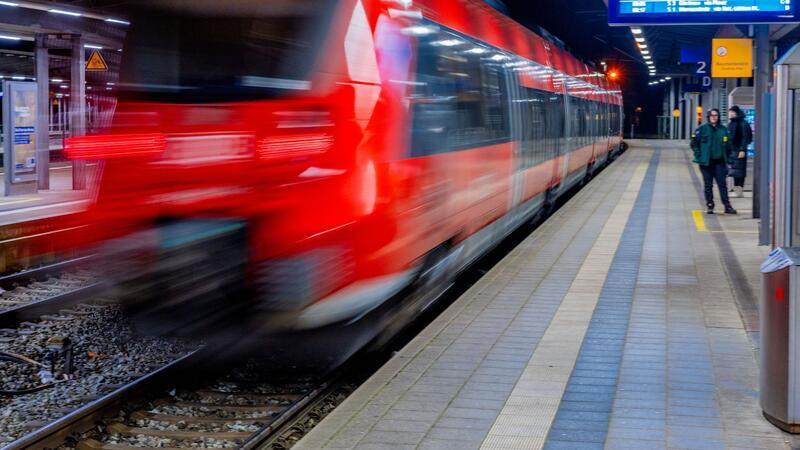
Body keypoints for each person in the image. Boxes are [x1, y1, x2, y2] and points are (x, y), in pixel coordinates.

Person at [691, 108, 737, 215]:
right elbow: (694, 143)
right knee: (708, 185)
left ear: (718, 117)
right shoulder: (701, 129)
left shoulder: (724, 130)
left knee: (722, 184)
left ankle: (727, 206)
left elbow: (729, 146)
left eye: (716, 115)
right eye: (711, 115)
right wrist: (699, 155)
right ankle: (710, 204)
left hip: (720, 162)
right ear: (708, 117)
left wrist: (729, 159)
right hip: (706, 163)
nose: (714, 117)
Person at [727, 105, 752, 198]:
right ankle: (737, 189)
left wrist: (742, 149)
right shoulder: (732, 123)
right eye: (730, 112)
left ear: (736, 113)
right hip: (733, 150)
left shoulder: (742, 123)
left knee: (740, 171)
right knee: (734, 171)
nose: (730, 114)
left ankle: (739, 189)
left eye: (732, 112)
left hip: (739, 150)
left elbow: (745, 137)